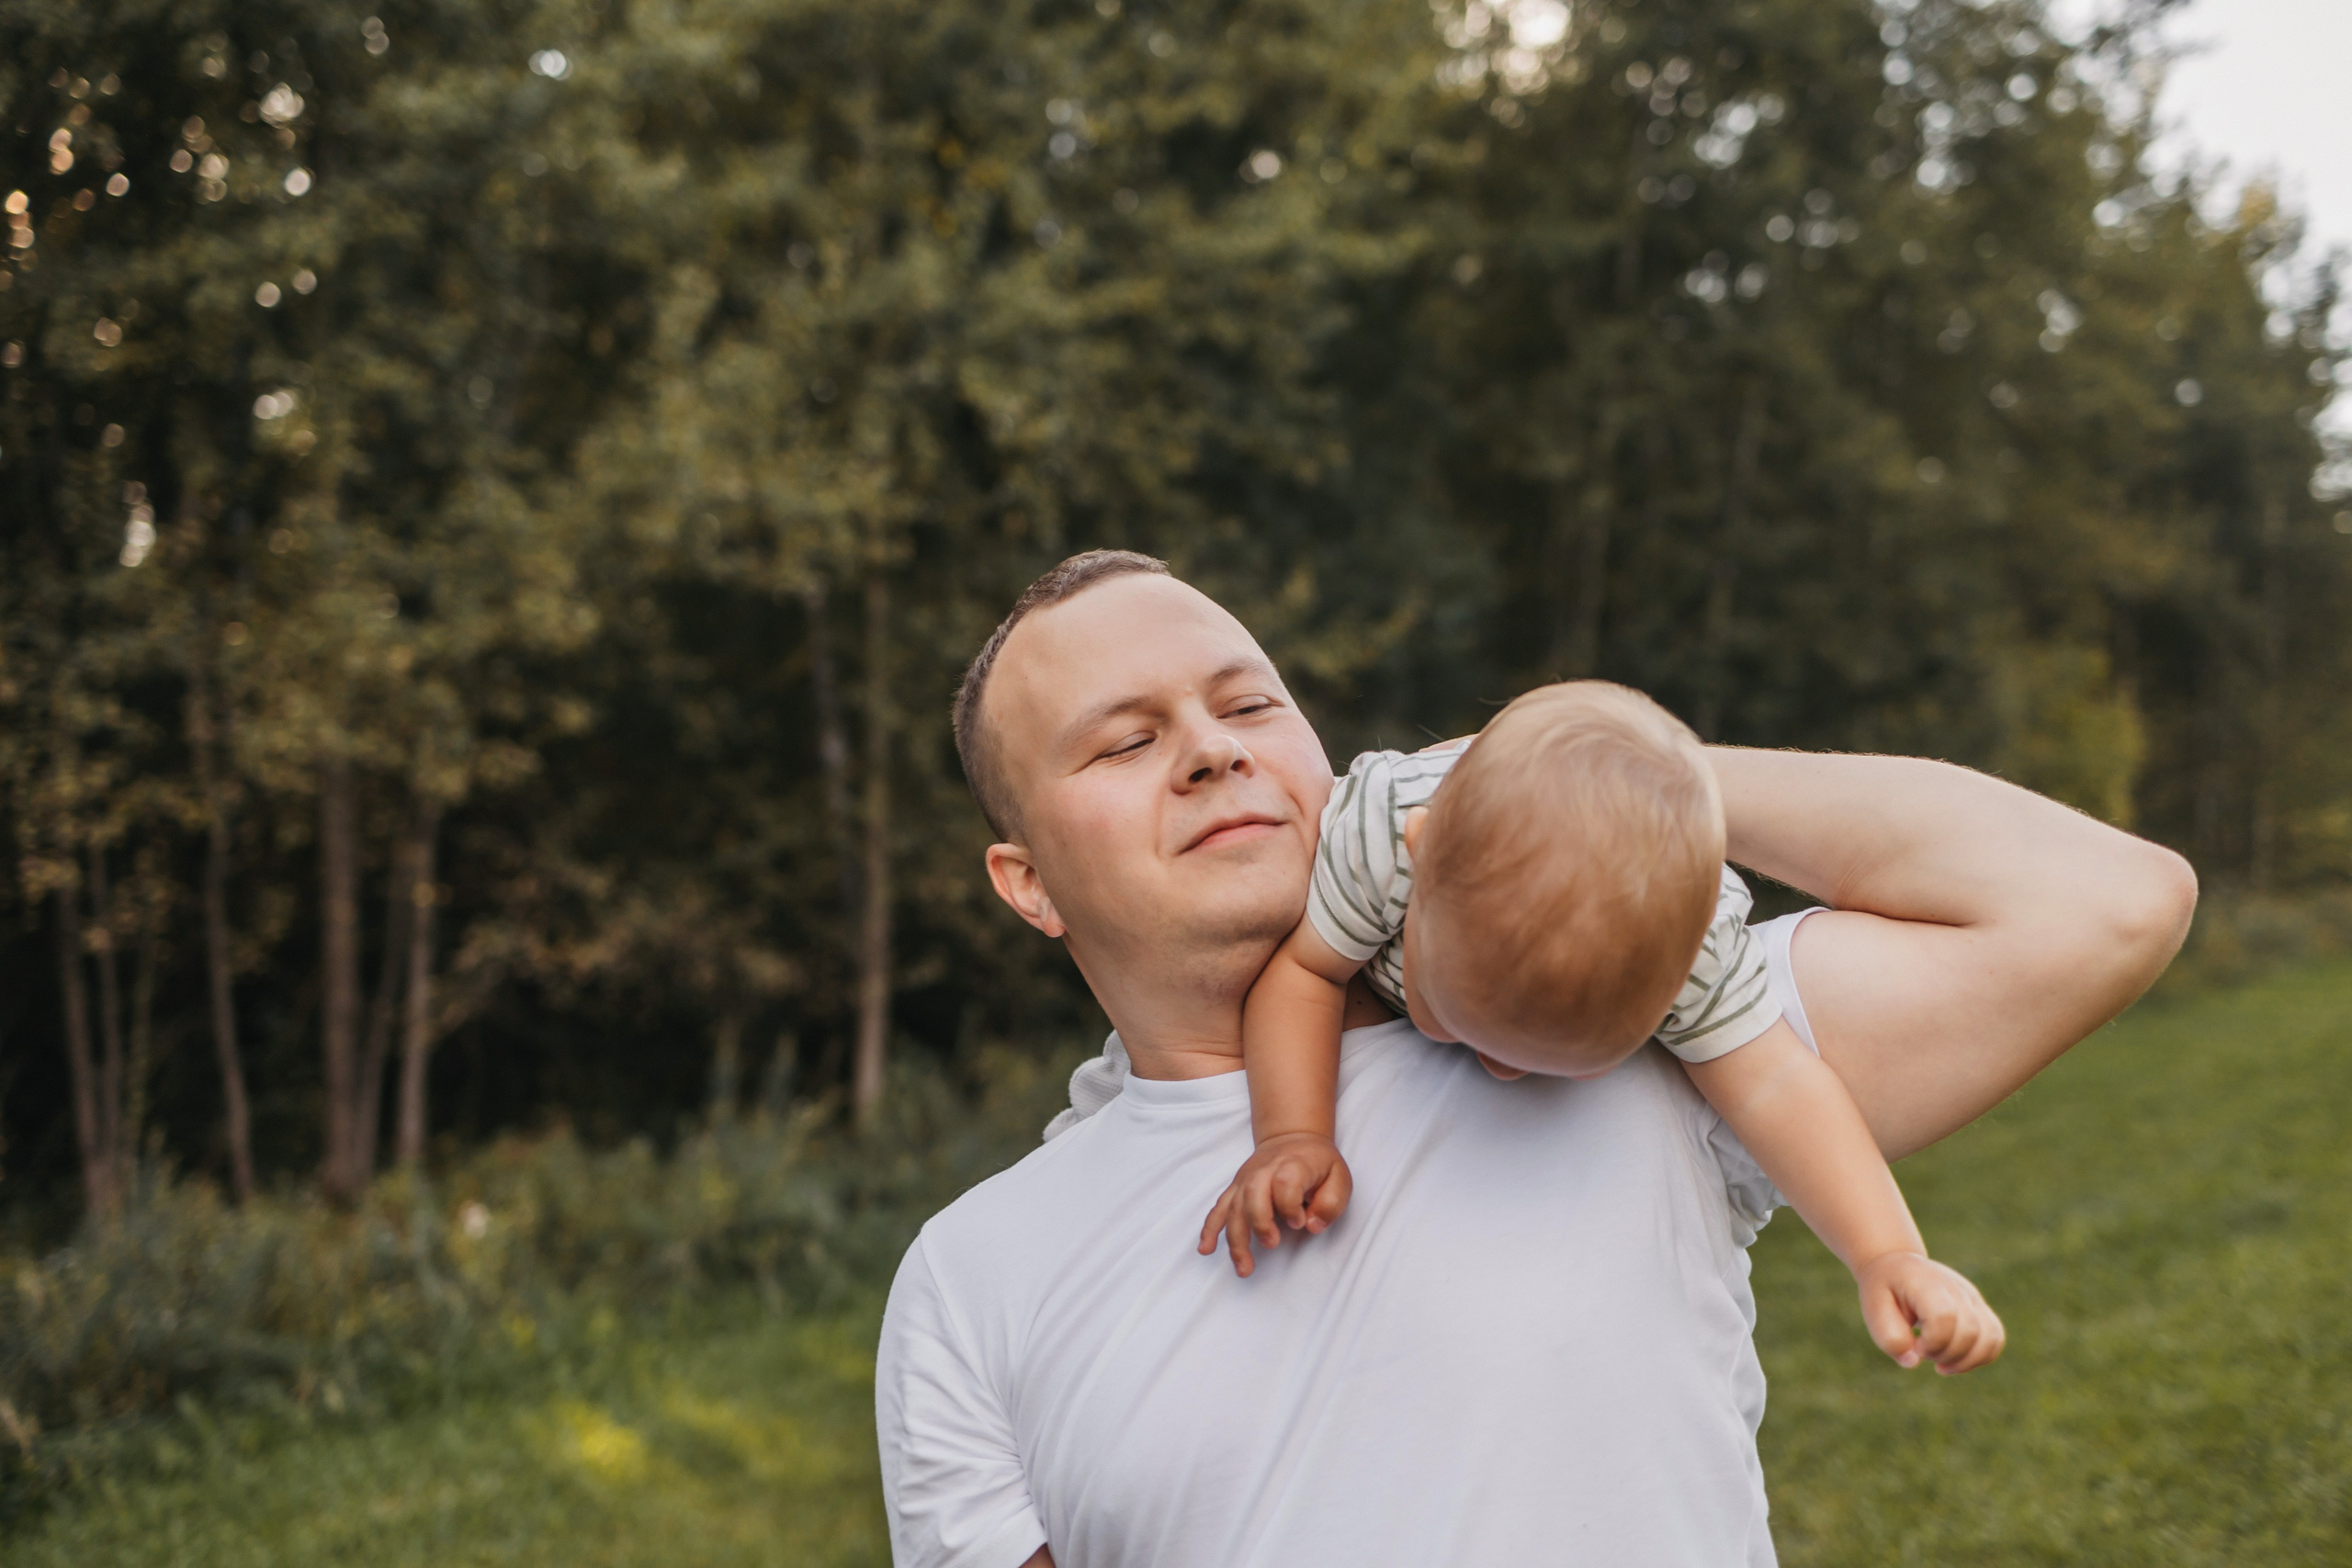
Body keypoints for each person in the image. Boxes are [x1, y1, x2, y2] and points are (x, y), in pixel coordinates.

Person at [877, 550, 2194, 1568]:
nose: (1213, 749)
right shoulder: (970, 1278)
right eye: (1125, 740)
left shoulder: (1617, 1025)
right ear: (1027, 882)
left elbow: (2105, 903)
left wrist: (1589, 785)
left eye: (1249, 703)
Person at [1196, 681, 2003, 1379]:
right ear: (1422, 857)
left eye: (1569, 1058)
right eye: (1461, 1018)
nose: (1500, 1072)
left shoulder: (1689, 945)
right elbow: (1305, 973)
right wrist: (1293, 1133)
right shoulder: (1384, 836)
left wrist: (1886, 1251)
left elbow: (1779, 1083)